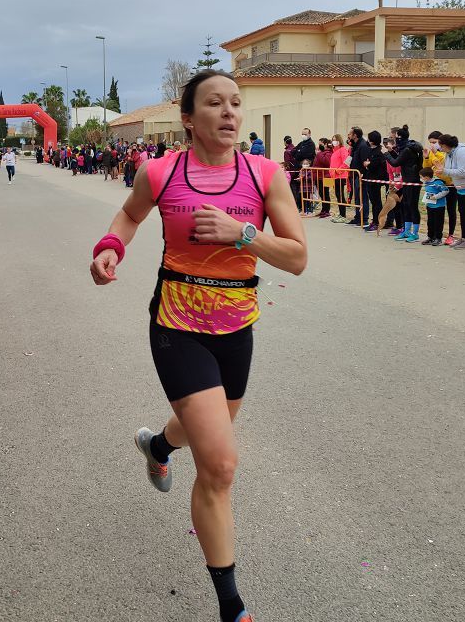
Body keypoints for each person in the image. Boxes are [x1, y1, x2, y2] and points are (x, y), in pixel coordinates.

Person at [90, 70, 306, 622]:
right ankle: (231, 606)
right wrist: (110, 246)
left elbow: (297, 257)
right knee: (220, 463)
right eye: (216, 103)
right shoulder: (160, 172)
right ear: (189, 118)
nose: (230, 113)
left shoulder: (265, 175)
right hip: (177, 324)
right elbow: (130, 214)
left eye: (236, 103)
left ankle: (158, 446)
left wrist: (242, 234)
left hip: (237, 327)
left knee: (204, 426)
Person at [436, 134, 465, 250]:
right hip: (461, 186)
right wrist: (442, 171)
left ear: (446, 145)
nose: (439, 148)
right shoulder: (449, 154)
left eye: (441, 146)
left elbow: (463, 171)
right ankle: (464, 238)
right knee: (462, 212)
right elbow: (449, 170)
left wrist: (444, 171)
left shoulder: (462, 152)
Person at [384, 125, 424, 241]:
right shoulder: (405, 148)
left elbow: (396, 163)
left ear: (400, 138)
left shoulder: (408, 149)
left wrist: (386, 154)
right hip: (407, 180)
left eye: (396, 137)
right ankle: (406, 231)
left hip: (413, 181)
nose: (395, 139)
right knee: (406, 205)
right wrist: (391, 152)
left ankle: (415, 233)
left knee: (412, 206)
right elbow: (400, 159)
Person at [423, 131, 458, 245]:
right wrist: (427, 157)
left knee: (451, 210)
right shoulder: (432, 152)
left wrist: (436, 153)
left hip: (449, 184)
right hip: (436, 184)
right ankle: (432, 236)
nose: (432, 144)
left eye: (435, 142)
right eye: (430, 142)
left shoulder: (446, 153)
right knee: (434, 213)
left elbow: (443, 164)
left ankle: (450, 235)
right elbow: (427, 169)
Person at [361, 131, 386, 232]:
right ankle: (374, 220)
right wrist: (367, 164)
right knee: (373, 201)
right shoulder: (371, 150)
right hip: (369, 178)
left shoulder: (379, 151)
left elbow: (374, 164)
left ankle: (377, 221)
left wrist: (368, 164)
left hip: (376, 179)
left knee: (376, 201)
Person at [419, 167, 449, 245]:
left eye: (421, 177)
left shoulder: (437, 182)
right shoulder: (427, 183)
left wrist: (436, 197)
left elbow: (446, 191)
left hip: (439, 206)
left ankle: (438, 238)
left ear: (426, 177)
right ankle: (430, 237)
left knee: (438, 222)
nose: (421, 179)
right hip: (430, 206)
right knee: (430, 222)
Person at [328, 134, 350, 222]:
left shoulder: (343, 150)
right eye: (332, 140)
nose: (334, 141)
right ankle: (341, 214)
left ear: (339, 140)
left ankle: (343, 215)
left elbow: (346, 162)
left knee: (340, 195)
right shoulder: (334, 151)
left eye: (335, 140)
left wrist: (338, 171)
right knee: (338, 195)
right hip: (335, 176)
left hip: (341, 176)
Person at [312, 139, 332, 218]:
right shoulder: (321, 153)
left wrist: (319, 154)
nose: (319, 145)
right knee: (321, 194)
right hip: (318, 176)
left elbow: (326, 162)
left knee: (325, 194)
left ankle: (327, 210)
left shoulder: (328, 153)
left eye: (321, 144)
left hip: (326, 176)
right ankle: (323, 209)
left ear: (325, 144)